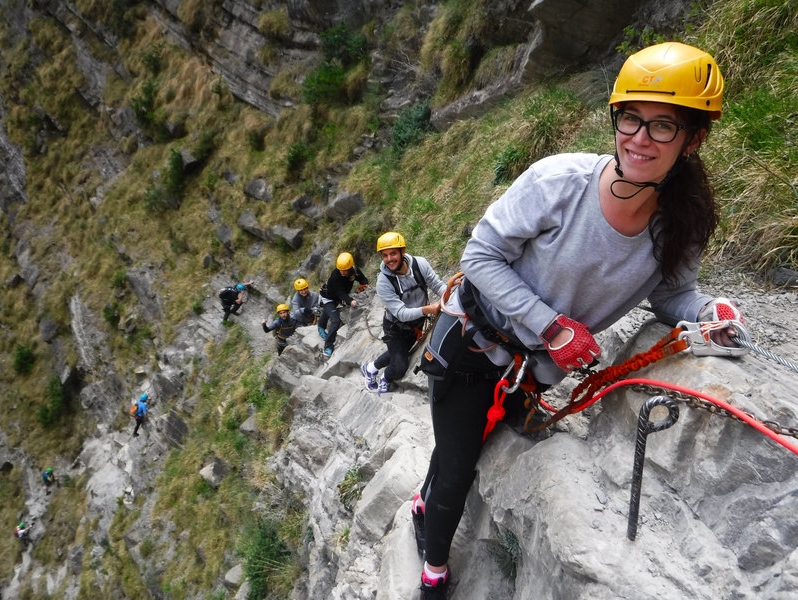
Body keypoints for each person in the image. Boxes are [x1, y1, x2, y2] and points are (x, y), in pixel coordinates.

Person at [410, 42, 746, 599]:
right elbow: (480, 258)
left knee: (465, 439)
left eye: (663, 126)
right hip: (472, 341)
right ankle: (434, 570)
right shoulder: (559, 183)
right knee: (460, 466)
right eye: (630, 118)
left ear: (694, 139)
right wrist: (552, 326)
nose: (639, 138)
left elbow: (673, 296)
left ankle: (426, 501)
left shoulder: (681, 223)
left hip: (533, 371)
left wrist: (711, 313)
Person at [360, 232, 447, 394]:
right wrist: (428, 309)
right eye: (385, 255)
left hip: (416, 323)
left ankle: (370, 368)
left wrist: (449, 295)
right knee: (400, 366)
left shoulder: (420, 264)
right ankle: (385, 377)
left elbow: (436, 284)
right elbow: (401, 313)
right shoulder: (384, 282)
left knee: (400, 352)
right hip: (395, 328)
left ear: (403, 251)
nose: (389, 259)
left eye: (393, 253)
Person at [317, 252, 369, 357]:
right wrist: (350, 301)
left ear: (350, 268)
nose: (342, 272)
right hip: (328, 298)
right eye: (340, 269)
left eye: (345, 270)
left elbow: (362, 279)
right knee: (335, 320)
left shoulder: (354, 270)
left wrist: (365, 285)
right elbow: (340, 293)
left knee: (329, 311)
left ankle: (321, 326)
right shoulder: (335, 276)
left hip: (338, 297)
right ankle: (328, 347)